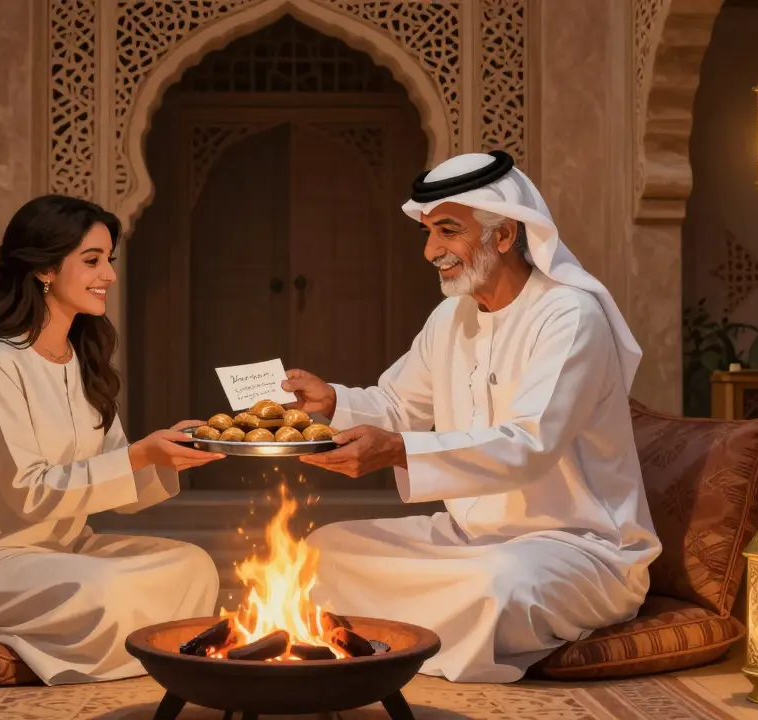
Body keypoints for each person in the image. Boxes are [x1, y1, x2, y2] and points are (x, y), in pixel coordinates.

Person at [283, 150, 662, 683]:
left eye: (447, 231)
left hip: (576, 550)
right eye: (428, 233)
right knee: (323, 551)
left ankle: (392, 640)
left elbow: (528, 444)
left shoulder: (569, 315)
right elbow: (398, 406)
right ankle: (408, 637)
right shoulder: (450, 317)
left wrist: (397, 451)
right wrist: (331, 404)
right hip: (467, 539)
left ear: (503, 235)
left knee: (496, 585)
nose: (431, 251)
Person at [0, 195, 225, 685]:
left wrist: (168, 457)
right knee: (104, 588)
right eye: (92, 260)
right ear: (45, 269)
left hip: (63, 552)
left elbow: (120, 488)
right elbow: (29, 493)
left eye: (109, 260)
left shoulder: (82, 360)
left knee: (195, 566)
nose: (110, 275)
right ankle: (138, 651)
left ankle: (137, 650)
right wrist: (140, 454)